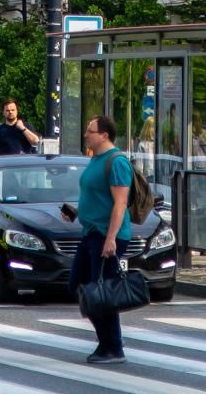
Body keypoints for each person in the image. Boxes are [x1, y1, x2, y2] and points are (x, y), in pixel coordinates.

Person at [73, 114, 135, 365]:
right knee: (79, 285)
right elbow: (97, 197)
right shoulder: (95, 159)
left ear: (104, 135)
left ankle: (113, 347)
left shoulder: (116, 161)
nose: (86, 134)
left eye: (90, 131)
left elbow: (120, 204)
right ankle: (106, 342)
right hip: (91, 232)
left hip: (107, 235)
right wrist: (77, 213)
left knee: (102, 292)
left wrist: (111, 239)